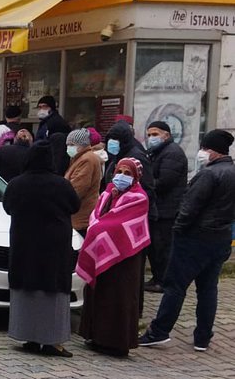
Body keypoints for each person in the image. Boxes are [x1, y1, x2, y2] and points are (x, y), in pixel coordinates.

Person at [139, 129, 235, 352]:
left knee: (175, 286)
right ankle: (203, 337)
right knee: (208, 288)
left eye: (204, 149)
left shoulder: (208, 175)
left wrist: (178, 230)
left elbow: (190, 207)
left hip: (194, 238)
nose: (201, 153)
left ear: (213, 151)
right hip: (220, 238)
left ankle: (158, 331)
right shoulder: (231, 172)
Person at [2, 143, 80, 357]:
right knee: (52, 292)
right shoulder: (61, 185)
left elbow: (7, 207)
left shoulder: (17, 184)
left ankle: (29, 335)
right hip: (54, 247)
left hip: (24, 245)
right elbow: (75, 205)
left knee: (26, 289)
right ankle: (52, 340)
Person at [76, 157, 151, 356]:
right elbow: (97, 215)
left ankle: (115, 343)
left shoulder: (139, 197)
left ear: (135, 177)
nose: (121, 177)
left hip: (125, 256)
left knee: (119, 297)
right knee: (98, 294)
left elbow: (120, 222)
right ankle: (94, 335)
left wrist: (97, 229)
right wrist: (96, 227)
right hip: (102, 250)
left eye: (127, 174)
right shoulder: (107, 193)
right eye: (119, 172)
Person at [144, 119, 188, 291]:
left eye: (155, 134)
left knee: (163, 247)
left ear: (166, 135)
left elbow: (164, 182)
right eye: (149, 135)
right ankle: (157, 278)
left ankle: (163, 281)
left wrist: (145, 184)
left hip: (167, 209)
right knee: (156, 247)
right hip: (160, 208)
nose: (151, 138)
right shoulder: (158, 151)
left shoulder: (172, 153)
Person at [65, 128, 102, 235]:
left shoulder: (86, 159)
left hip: (82, 215)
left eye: (71, 144)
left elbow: (78, 188)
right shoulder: (79, 158)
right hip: (79, 213)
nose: (68, 147)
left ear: (82, 144)